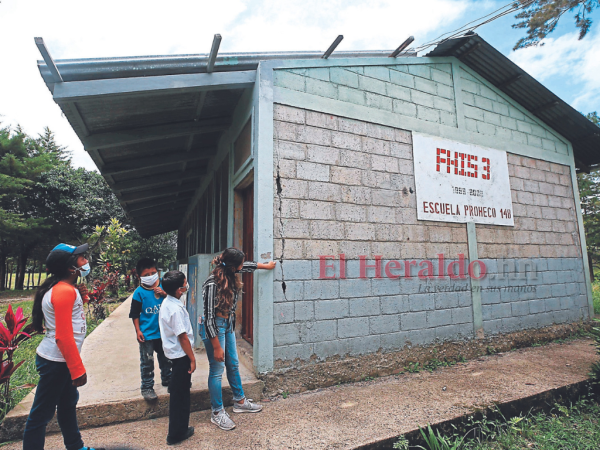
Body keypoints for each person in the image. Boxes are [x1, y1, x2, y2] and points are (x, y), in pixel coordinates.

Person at [23, 243, 104, 450]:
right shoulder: (64, 291)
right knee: (41, 414)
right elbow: (63, 336)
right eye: (81, 258)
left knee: (68, 404)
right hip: (56, 362)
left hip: (60, 360)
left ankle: (76, 446)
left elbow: (71, 320)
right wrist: (77, 369)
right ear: (70, 268)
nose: (86, 261)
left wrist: (82, 298)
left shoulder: (65, 289)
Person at [199, 247, 276, 431]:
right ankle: (217, 412)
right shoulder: (212, 284)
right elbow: (208, 318)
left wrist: (266, 266)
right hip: (214, 328)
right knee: (217, 370)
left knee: (232, 364)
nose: (243, 266)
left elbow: (248, 266)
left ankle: (240, 401)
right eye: (241, 263)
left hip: (228, 325)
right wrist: (217, 347)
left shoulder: (231, 270)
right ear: (233, 266)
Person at [158, 270, 196, 446]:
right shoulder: (174, 309)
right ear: (179, 289)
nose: (186, 286)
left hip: (176, 355)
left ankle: (178, 429)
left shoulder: (168, 303)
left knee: (178, 392)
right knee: (181, 395)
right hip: (181, 356)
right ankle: (176, 433)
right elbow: (183, 337)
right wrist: (192, 358)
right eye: (184, 284)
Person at [129, 257, 171, 401]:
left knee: (166, 358)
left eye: (153, 273)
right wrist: (138, 331)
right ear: (139, 276)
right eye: (146, 275)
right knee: (147, 361)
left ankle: (168, 379)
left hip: (163, 333)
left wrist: (165, 294)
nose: (150, 276)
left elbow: (173, 302)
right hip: (147, 334)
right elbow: (134, 314)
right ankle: (147, 387)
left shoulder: (164, 288)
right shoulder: (139, 293)